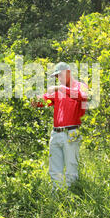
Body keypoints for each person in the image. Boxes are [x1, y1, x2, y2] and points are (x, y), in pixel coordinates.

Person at [31, 62, 88, 190]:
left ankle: (72, 197)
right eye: (56, 76)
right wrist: (34, 99)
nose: (58, 78)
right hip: (56, 133)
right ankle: (57, 197)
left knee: (71, 168)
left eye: (59, 75)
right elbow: (42, 101)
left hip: (72, 132)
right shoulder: (59, 91)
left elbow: (81, 95)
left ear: (68, 72)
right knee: (54, 169)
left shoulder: (80, 86)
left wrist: (58, 88)